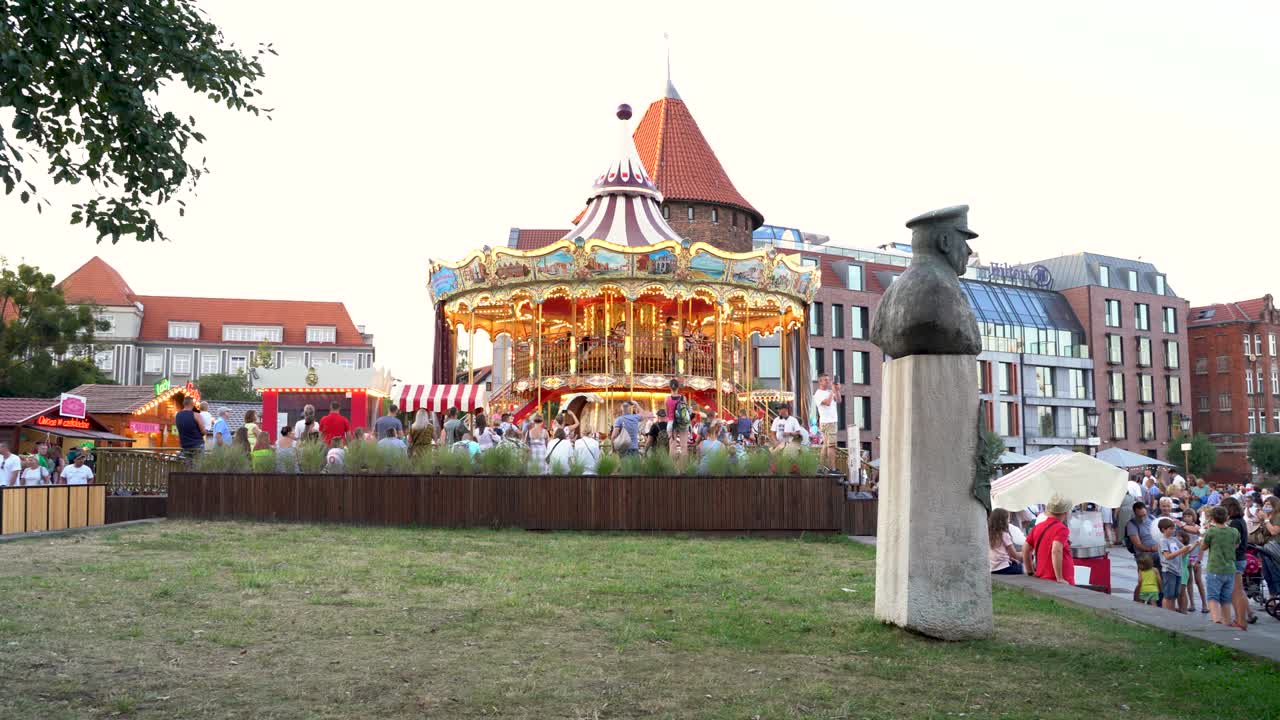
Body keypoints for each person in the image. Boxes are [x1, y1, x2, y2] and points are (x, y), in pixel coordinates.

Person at [1202, 505, 1242, 627]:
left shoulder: (1212, 531)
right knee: (1226, 598)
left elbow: (1203, 547)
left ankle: (1216, 621)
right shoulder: (1234, 531)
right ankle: (1226, 622)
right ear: (1227, 517)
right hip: (1230, 568)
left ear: (1213, 518)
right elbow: (1236, 545)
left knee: (1213, 597)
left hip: (1215, 568)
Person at [1023, 494, 1075, 584]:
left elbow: (1025, 550)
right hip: (1059, 579)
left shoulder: (1038, 527)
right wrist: (1059, 578)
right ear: (1065, 513)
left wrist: (1030, 571)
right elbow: (1056, 550)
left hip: (1041, 576)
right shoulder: (1061, 529)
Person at [1221, 497, 1256, 627]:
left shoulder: (1235, 523)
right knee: (1239, 590)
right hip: (1240, 558)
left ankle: (1240, 619)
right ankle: (1247, 615)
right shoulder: (1240, 521)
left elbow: (1233, 543)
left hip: (1236, 558)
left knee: (1236, 591)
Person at [1125, 501, 1162, 603]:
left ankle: (1155, 601)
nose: (1142, 518)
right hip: (1144, 557)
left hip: (1157, 554)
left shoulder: (1152, 519)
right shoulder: (1131, 524)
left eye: (1144, 515)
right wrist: (1150, 549)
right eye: (1139, 516)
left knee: (1157, 579)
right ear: (1135, 513)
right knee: (1144, 581)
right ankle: (1138, 601)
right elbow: (1137, 544)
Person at [1157, 518, 1196, 612]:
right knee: (1168, 595)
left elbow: (1185, 549)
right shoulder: (1163, 541)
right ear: (1163, 529)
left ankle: (1172, 612)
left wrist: (1195, 543)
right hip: (1169, 570)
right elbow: (1167, 556)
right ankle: (1167, 613)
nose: (1173, 531)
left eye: (1173, 528)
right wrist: (1181, 551)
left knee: (1175, 594)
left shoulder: (1173, 539)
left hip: (1177, 570)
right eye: (1170, 529)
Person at [812, 374, 840, 470]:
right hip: (828, 422)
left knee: (825, 445)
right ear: (820, 382)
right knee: (831, 446)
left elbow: (839, 400)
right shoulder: (818, 394)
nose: (828, 382)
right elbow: (827, 403)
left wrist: (837, 390)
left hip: (831, 421)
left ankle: (821, 467)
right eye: (825, 380)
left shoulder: (829, 392)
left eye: (828, 380)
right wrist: (833, 391)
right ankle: (832, 468)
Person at [1182, 508, 1207, 613]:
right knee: (1189, 581)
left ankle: (1204, 604)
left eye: (1189, 516)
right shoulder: (1183, 529)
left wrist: (1199, 560)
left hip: (1195, 556)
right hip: (1187, 556)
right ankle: (1191, 603)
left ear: (1193, 517)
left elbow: (1202, 546)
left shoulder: (1198, 529)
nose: (1187, 518)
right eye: (1185, 516)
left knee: (1198, 581)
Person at [988, 508, 1023, 575]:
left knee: (1015, 562)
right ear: (1003, 520)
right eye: (1008, 519)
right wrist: (1025, 554)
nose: (1009, 521)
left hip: (992, 568)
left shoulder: (988, 534)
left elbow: (999, 553)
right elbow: (1014, 555)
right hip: (1004, 568)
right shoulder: (1004, 534)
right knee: (1022, 566)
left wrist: (1010, 558)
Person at [665, 380, 691, 458]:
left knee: (672, 446)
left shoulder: (667, 399)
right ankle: (683, 467)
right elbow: (686, 412)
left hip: (671, 423)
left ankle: (672, 467)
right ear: (678, 387)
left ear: (670, 387)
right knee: (684, 446)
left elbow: (667, 413)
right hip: (682, 423)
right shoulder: (683, 398)